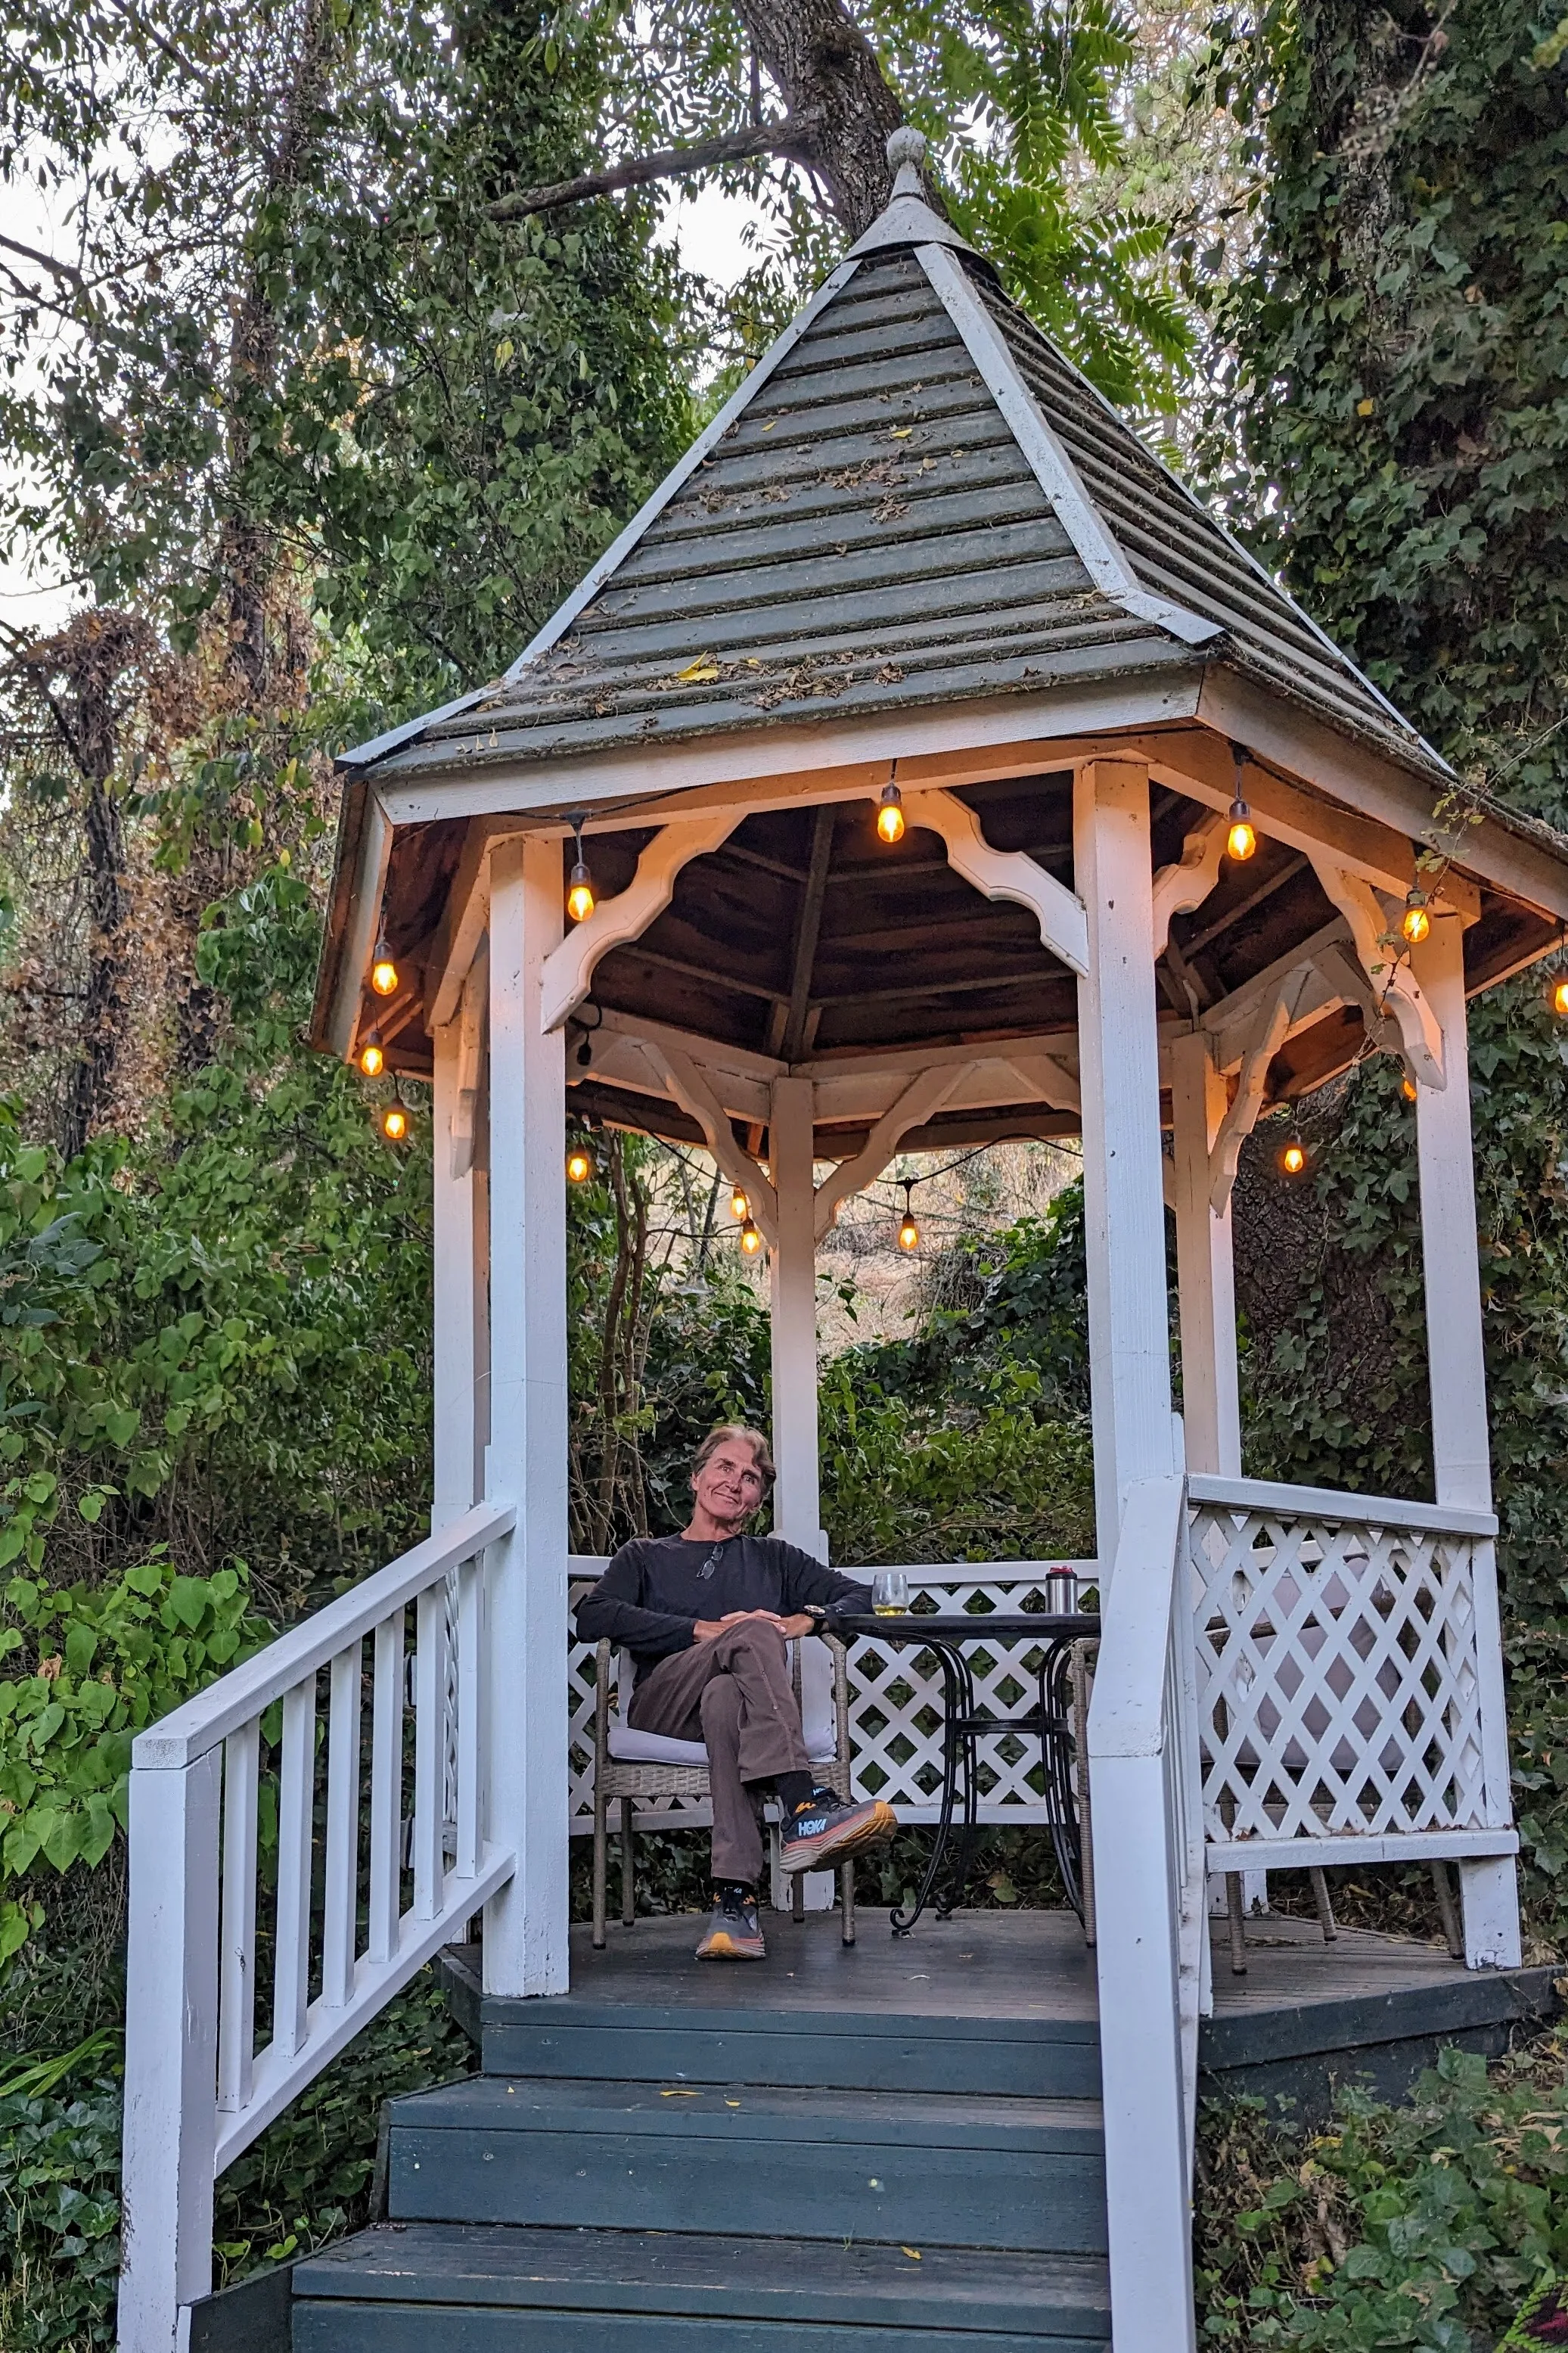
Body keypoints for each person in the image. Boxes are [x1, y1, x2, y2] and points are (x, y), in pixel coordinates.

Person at [575, 1424, 896, 1961]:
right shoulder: (645, 1555)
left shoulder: (774, 1558)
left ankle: (734, 1903)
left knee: (725, 1698)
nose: (735, 1482)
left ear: (755, 1502)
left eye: (750, 1479)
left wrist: (806, 1621)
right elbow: (592, 1615)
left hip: (729, 1710)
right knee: (750, 1630)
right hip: (663, 1704)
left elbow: (861, 1597)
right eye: (725, 1467)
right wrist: (702, 1631)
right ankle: (801, 1804)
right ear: (697, 1477)